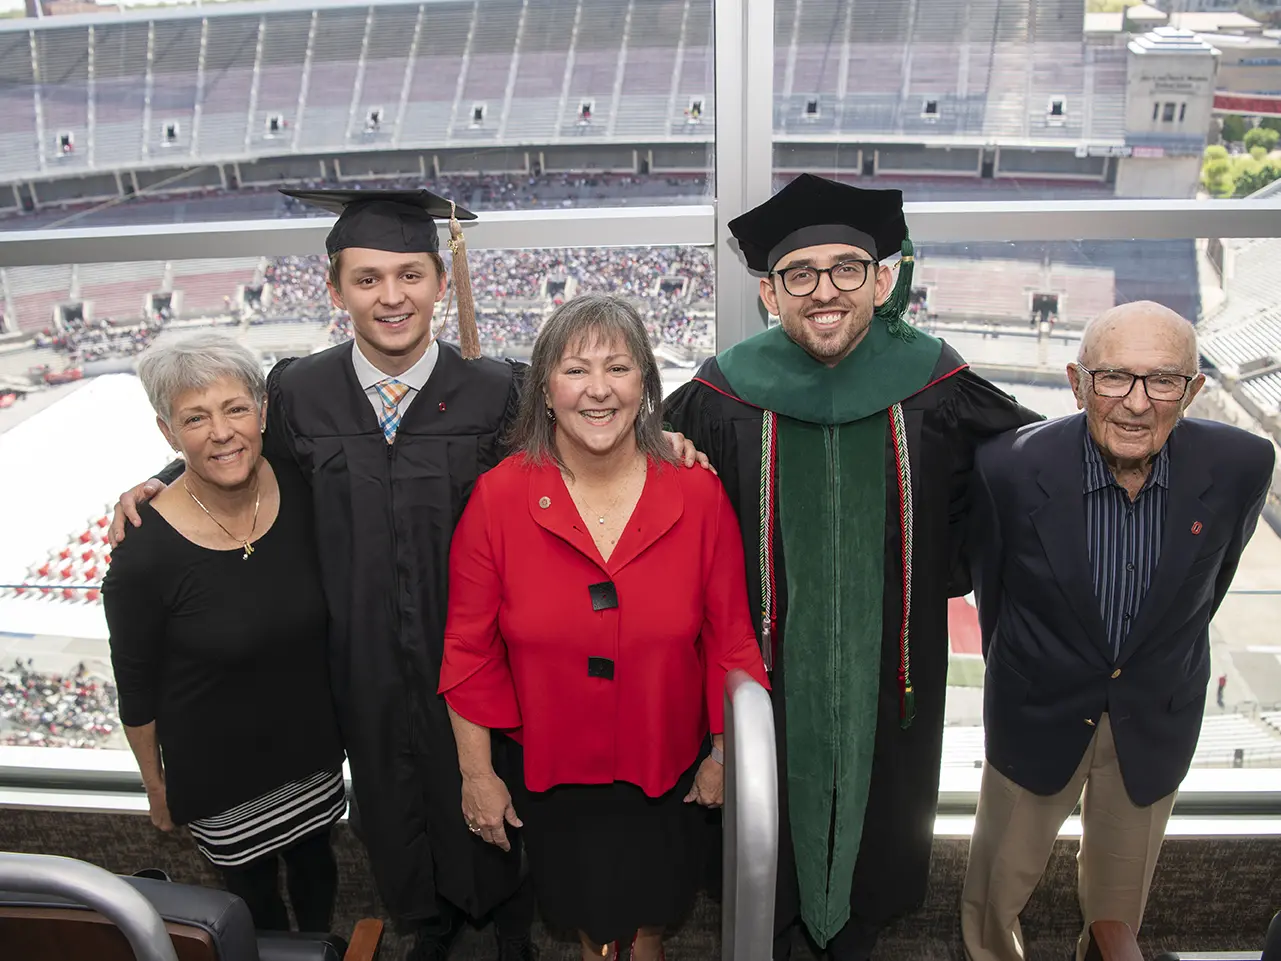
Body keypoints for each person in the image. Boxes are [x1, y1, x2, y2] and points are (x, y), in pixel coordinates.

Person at [109, 188, 705, 961]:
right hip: (359, 660)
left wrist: (668, 444)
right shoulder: (297, 390)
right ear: (336, 290)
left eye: (410, 275)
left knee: (498, 793)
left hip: (481, 649)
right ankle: (429, 924)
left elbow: (597, 431)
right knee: (390, 801)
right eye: (366, 279)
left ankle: (508, 928)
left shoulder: (499, 391)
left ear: (435, 279)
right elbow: (236, 449)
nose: (391, 297)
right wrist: (160, 478)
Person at [662, 173, 1042, 961]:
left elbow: (1021, 487)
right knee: (767, 854)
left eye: (844, 268)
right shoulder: (721, 392)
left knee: (870, 865)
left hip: (890, 679)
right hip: (761, 679)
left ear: (881, 277)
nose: (823, 289)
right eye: (800, 274)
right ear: (771, 293)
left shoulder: (936, 384)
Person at [439, 295, 770, 961]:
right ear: (543, 388)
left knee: (649, 923)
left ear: (646, 382)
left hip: (666, 768)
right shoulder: (498, 498)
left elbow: (731, 636)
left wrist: (721, 751)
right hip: (555, 774)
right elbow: (467, 649)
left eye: (618, 368)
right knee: (588, 924)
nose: (597, 390)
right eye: (575, 370)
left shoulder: (696, 493)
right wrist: (477, 775)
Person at [961, 302, 1275, 961]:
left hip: (1153, 717)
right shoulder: (1007, 467)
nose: (1135, 403)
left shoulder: (1244, 463)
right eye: (1112, 378)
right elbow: (993, 594)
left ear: (1191, 390)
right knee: (994, 891)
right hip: (1035, 711)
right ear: (1077, 383)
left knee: (1117, 907)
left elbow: (1208, 586)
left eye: (1161, 380)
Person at [103, 333, 345, 932]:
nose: (221, 431)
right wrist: (157, 790)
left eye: (235, 408)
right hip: (219, 777)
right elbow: (135, 688)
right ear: (167, 432)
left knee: (318, 871)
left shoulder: (304, 483)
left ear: (262, 411)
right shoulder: (143, 555)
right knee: (253, 906)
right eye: (195, 418)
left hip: (312, 750)